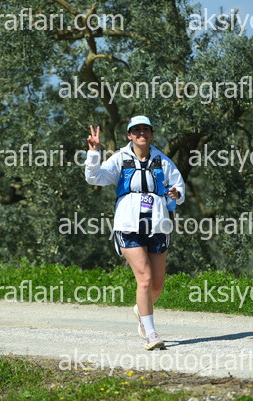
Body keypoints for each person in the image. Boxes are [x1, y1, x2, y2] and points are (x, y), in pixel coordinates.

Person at [85, 115, 185, 350]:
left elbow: (179, 188)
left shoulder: (163, 161)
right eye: (136, 130)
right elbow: (94, 177)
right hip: (128, 225)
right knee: (145, 278)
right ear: (129, 135)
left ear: (151, 134)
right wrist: (94, 153)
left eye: (146, 129)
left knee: (157, 286)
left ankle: (141, 309)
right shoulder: (120, 158)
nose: (142, 133)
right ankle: (151, 333)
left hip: (158, 225)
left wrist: (176, 194)